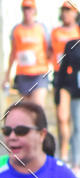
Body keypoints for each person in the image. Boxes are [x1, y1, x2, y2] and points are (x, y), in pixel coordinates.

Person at [3, 1, 50, 107]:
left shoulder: (41, 28)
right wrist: (7, 75)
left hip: (39, 74)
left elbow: (49, 50)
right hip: (23, 74)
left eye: (29, 8)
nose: (27, 11)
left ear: (34, 10)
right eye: (24, 8)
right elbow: (13, 53)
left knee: (38, 108)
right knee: (26, 110)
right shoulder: (17, 30)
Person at [51, 2, 80, 163]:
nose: (66, 13)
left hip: (76, 79)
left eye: (69, 10)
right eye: (63, 10)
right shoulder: (55, 32)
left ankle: (75, 156)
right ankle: (63, 153)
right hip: (61, 75)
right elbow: (48, 50)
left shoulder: (78, 31)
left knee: (76, 119)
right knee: (62, 118)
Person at [56, 37, 80, 174]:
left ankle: (76, 161)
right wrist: (58, 92)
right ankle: (72, 159)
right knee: (71, 123)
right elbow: (64, 67)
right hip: (73, 88)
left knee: (78, 126)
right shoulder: (72, 44)